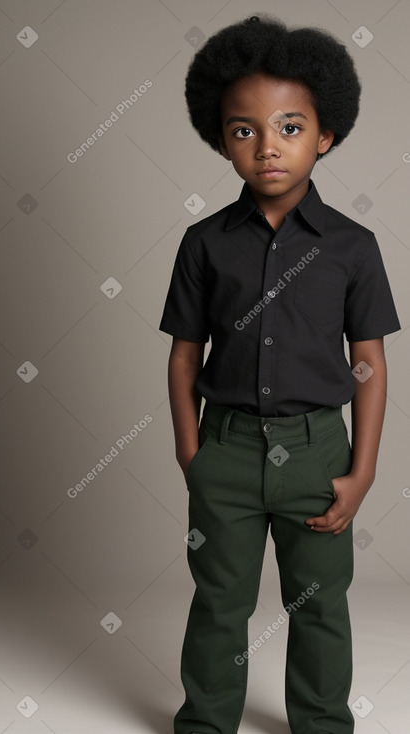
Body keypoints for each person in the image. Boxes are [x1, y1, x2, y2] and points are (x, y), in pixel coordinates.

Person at [159, 14, 401, 734]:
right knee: (218, 601)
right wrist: (190, 454)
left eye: (290, 127)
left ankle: (321, 724)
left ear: (324, 135)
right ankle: (204, 724)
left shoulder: (352, 248)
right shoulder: (203, 244)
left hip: (317, 454)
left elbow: (370, 366)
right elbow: (181, 355)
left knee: (320, 603)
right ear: (220, 138)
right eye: (244, 130)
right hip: (224, 451)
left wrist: (361, 473)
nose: (267, 147)